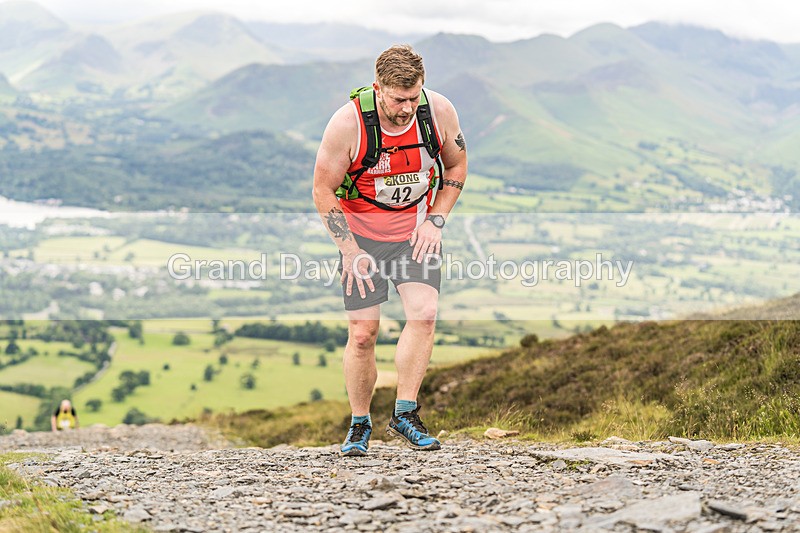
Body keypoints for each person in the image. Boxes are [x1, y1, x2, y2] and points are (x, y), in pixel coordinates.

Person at [313, 45, 468, 456]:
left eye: (414, 96)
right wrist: (348, 250)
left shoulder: (438, 112)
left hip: (415, 231)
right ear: (378, 88)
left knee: (425, 314)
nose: (407, 108)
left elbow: (456, 166)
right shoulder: (348, 124)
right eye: (399, 99)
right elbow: (322, 189)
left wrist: (436, 220)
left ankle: (405, 413)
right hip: (360, 237)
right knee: (363, 334)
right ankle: (360, 423)